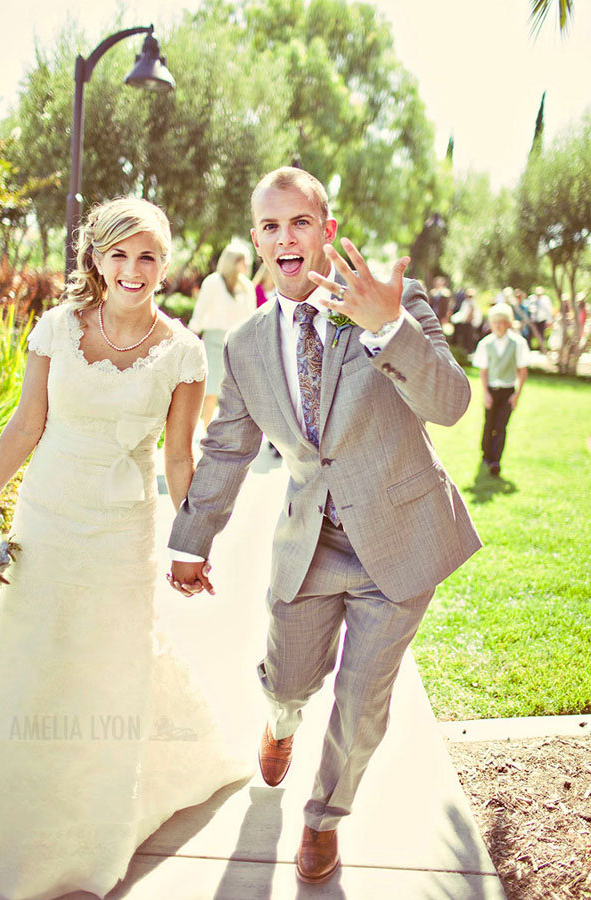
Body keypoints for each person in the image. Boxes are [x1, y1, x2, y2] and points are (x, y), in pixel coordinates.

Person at [167, 167, 482, 884]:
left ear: (327, 231)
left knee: (363, 701)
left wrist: (390, 327)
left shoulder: (389, 301)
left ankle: (323, 818)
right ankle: (280, 721)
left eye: (300, 222)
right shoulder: (246, 345)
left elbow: (452, 403)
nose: (286, 238)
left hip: (398, 544)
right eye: (271, 226)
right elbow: (226, 451)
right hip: (306, 546)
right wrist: (190, 541)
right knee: (289, 680)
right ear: (256, 238)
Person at [0, 198, 250, 900]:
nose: (133, 269)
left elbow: (176, 462)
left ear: (164, 266)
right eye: (120, 255)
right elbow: (24, 427)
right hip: (46, 520)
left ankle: (88, 835)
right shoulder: (55, 329)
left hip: (118, 533)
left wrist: (191, 543)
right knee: (33, 655)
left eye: (148, 257)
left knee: (106, 671)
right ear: (97, 260)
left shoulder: (185, 354)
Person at [189, 243, 256, 427]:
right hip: (213, 341)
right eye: (244, 261)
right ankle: (206, 433)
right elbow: (200, 311)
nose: (248, 265)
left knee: (234, 392)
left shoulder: (247, 286)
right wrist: (189, 338)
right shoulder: (213, 282)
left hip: (236, 342)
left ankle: (228, 433)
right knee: (210, 390)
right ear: (233, 262)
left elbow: (251, 317)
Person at [472, 302, 528, 476]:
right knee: (489, 424)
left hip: (508, 391)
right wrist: (485, 393)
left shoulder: (517, 343)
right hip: (491, 390)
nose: (499, 325)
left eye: (502, 322)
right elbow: (483, 371)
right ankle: (486, 454)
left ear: (508, 323)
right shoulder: (485, 344)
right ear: (491, 323)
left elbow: (523, 371)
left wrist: (517, 395)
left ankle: (496, 461)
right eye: (495, 322)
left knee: (501, 426)